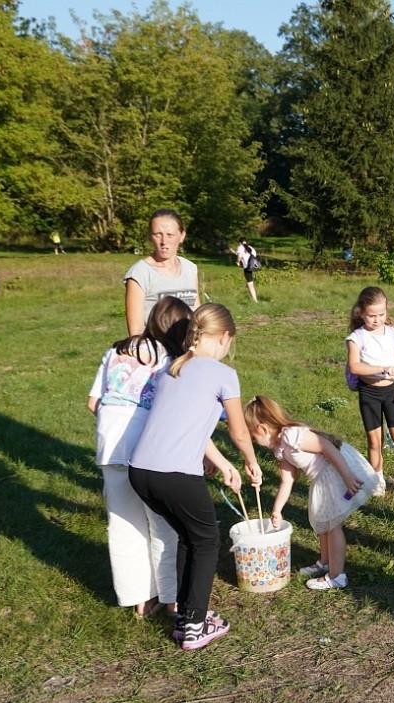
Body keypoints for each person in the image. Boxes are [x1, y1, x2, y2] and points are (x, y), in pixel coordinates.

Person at [128, 303, 262, 650]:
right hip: (175, 475)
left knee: (189, 537)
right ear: (225, 337)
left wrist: (223, 464)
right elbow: (239, 432)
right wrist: (249, 461)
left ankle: (187, 616)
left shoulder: (172, 369)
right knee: (206, 541)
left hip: (141, 472)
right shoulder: (222, 374)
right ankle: (196, 627)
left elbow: (191, 430)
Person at [88, 297, 192, 618]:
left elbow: (93, 403)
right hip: (148, 451)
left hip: (110, 447)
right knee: (163, 523)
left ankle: (138, 599)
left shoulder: (116, 351)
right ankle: (172, 597)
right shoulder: (170, 360)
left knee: (123, 524)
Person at [243, 396, 376, 591]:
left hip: (335, 471)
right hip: (322, 479)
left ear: (262, 428)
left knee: (332, 525)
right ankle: (325, 561)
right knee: (323, 523)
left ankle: (336, 575)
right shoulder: (280, 449)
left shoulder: (292, 435)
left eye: (253, 436)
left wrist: (347, 476)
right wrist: (277, 509)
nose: (254, 441)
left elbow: (327, 448)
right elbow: (287, 480)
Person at [345, 286, 394, 497]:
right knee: (375, 441)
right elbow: (355, 366)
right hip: (369, 393)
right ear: (360, 312)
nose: (377, 319)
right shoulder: (357, 338)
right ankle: (377, 480)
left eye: (381, 314)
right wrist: (381, 369)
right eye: (372, 315)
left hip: (393, 391)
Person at [124, 208, 200, 336]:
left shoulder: (190, 268)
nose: (164, 241)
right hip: (156, 351)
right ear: (150, 235)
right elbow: (135, 331)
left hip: (188, 350)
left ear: (181, 236)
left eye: (170, 235)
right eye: (158, 234)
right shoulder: (139, 274)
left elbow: (197, 314)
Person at [234, 239, 259, 303]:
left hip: (247, 267)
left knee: (250, 284)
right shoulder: (251, 248)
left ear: (240, 243)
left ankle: (255, 300)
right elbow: (254, 256)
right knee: (249, 283)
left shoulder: (240, 247)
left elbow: (239, 256)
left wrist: (238, 262)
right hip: (254, 266)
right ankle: (251, 296)